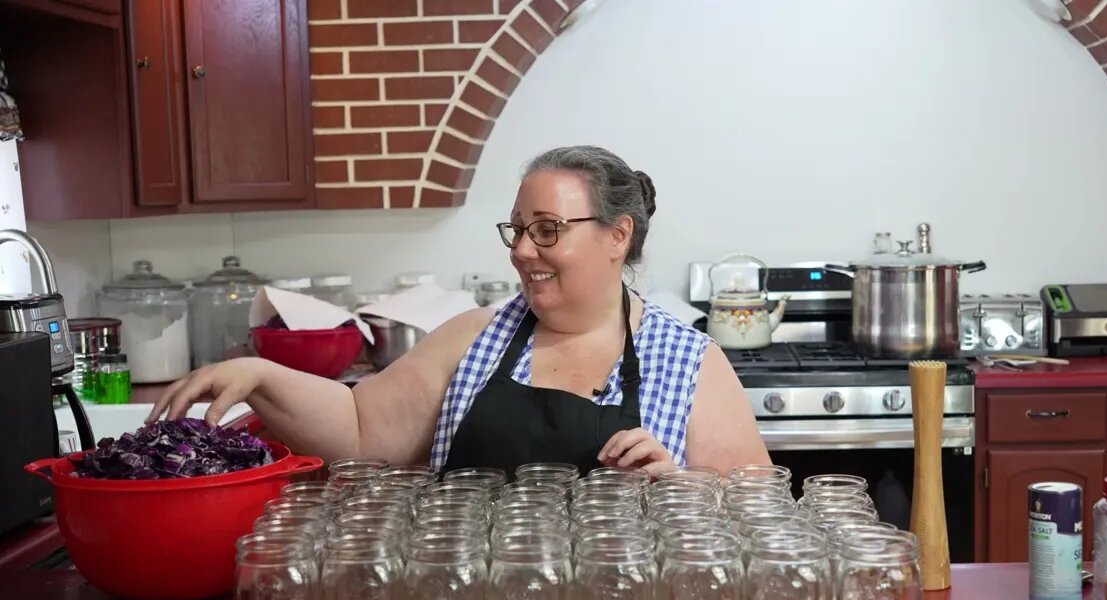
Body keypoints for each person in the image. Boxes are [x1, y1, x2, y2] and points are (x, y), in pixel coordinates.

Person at [149, 145, 770, 477]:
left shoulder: (688, 360)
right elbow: (362, 430)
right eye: (519, 229)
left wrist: (676, 488)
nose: (524, 251)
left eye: (548, 229)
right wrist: (260, 377)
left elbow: (757, 509)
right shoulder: (476, 338)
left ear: (617, 236)